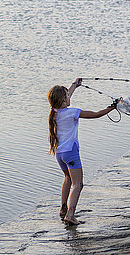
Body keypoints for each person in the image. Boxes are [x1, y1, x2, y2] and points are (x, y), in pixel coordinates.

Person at [48, 78, 117, 225]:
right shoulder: (72, 112)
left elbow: (66, 97)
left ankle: (62, 209)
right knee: (78, 185)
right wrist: (113, 107)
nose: (69, 97)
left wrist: (74, 85)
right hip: (71, 153)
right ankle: (70, 215)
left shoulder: (54, 112)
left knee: (67, 178)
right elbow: (96, 114)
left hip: (59, 154)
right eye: (67, 96)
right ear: (63, 100)